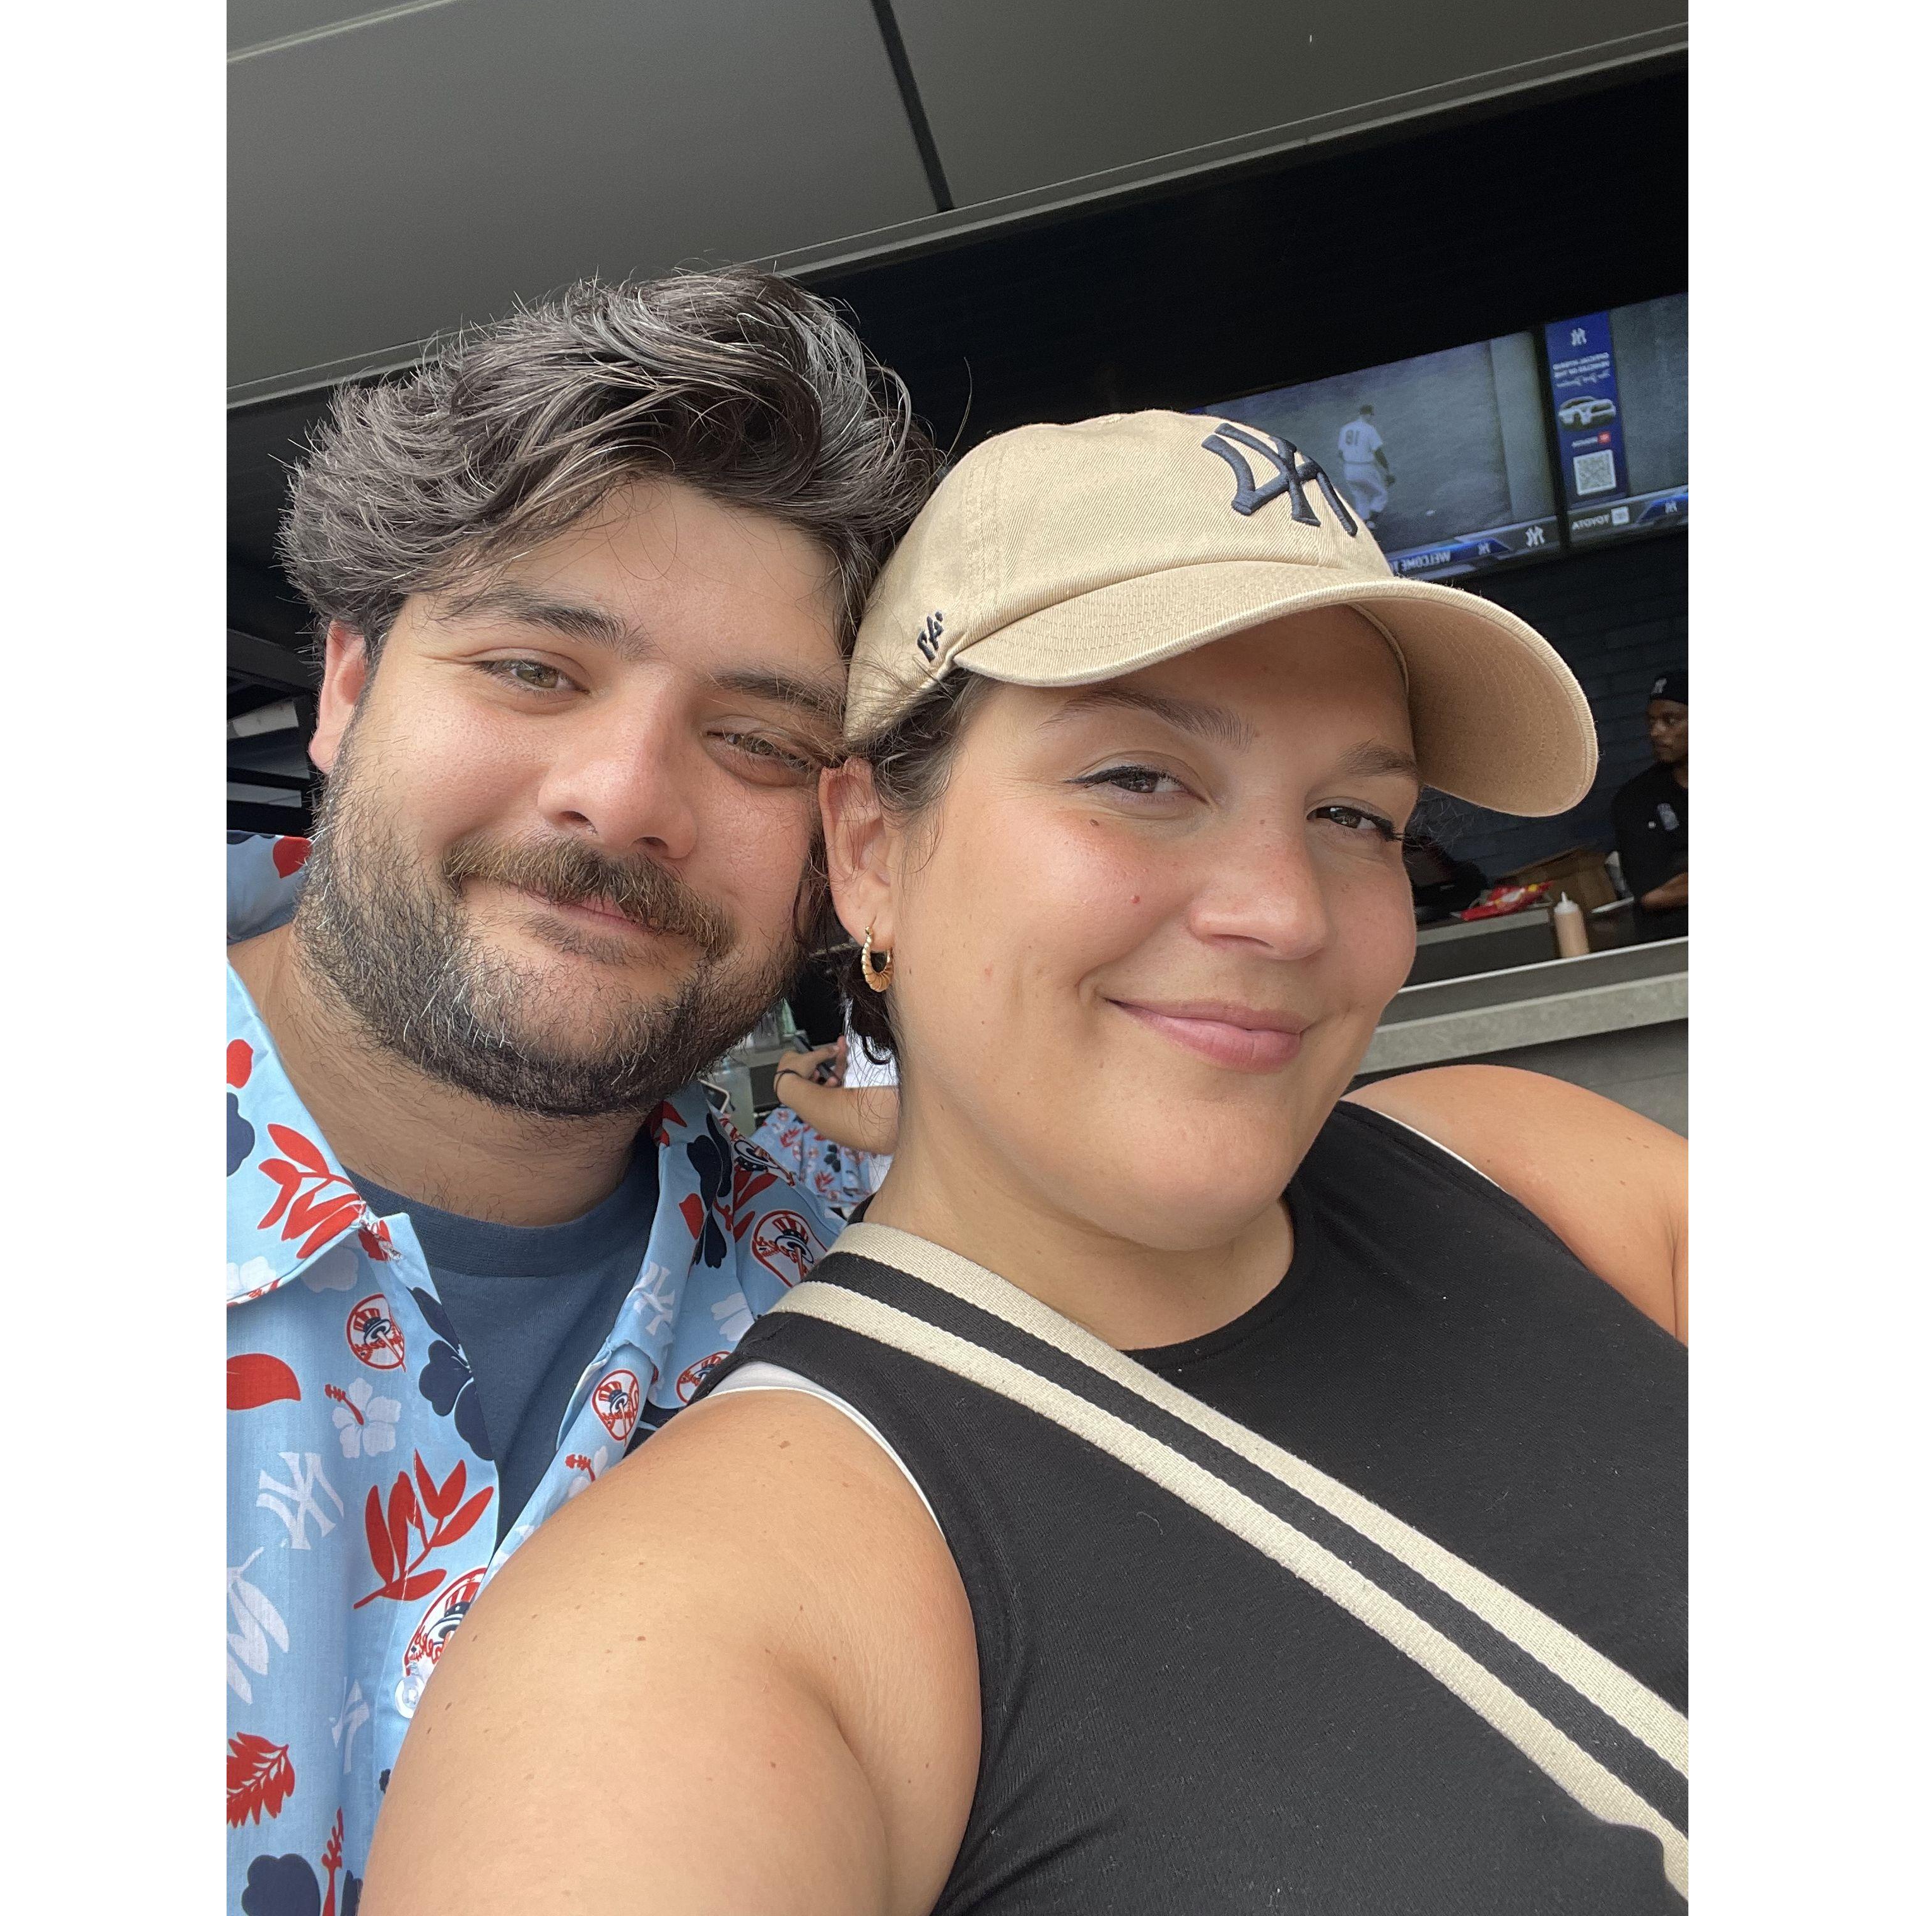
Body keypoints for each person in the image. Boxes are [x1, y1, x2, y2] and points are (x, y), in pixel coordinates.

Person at [365, 411, 1686, 1913]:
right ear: (869, 850)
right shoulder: (698, 1626)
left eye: (1353, 815)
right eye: (1139, 775)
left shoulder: (1526, 1168)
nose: (1283, 911)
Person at [226, 268, 935, 1905]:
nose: (623, 800)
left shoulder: (865, 1319)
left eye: (759, 742)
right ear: (348, 687)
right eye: (536, 669)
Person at [751, 1017, 901, 1212]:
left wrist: (786, 1084)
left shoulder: (878, 1000)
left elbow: (876, 1125)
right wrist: (849, 1089)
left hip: (904, 1194)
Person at [1611, 669, 1688, 942]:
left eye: (1671, 720)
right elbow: (1654, 895)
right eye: (1652, 721)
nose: (1656, 732)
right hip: (1674, 947)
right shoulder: (1636, 798)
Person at [1336, 399, 1393, 527]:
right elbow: (1378, 453)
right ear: (1368, 415)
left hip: (1349, 469)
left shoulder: (1346, 429)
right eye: (1372, 415)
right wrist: (1387, 471)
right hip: (1365, 468)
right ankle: (1371, 521)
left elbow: (1340, 453)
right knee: (1381, 494)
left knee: (1361, 498)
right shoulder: (1369, 429)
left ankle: (1363, 525)